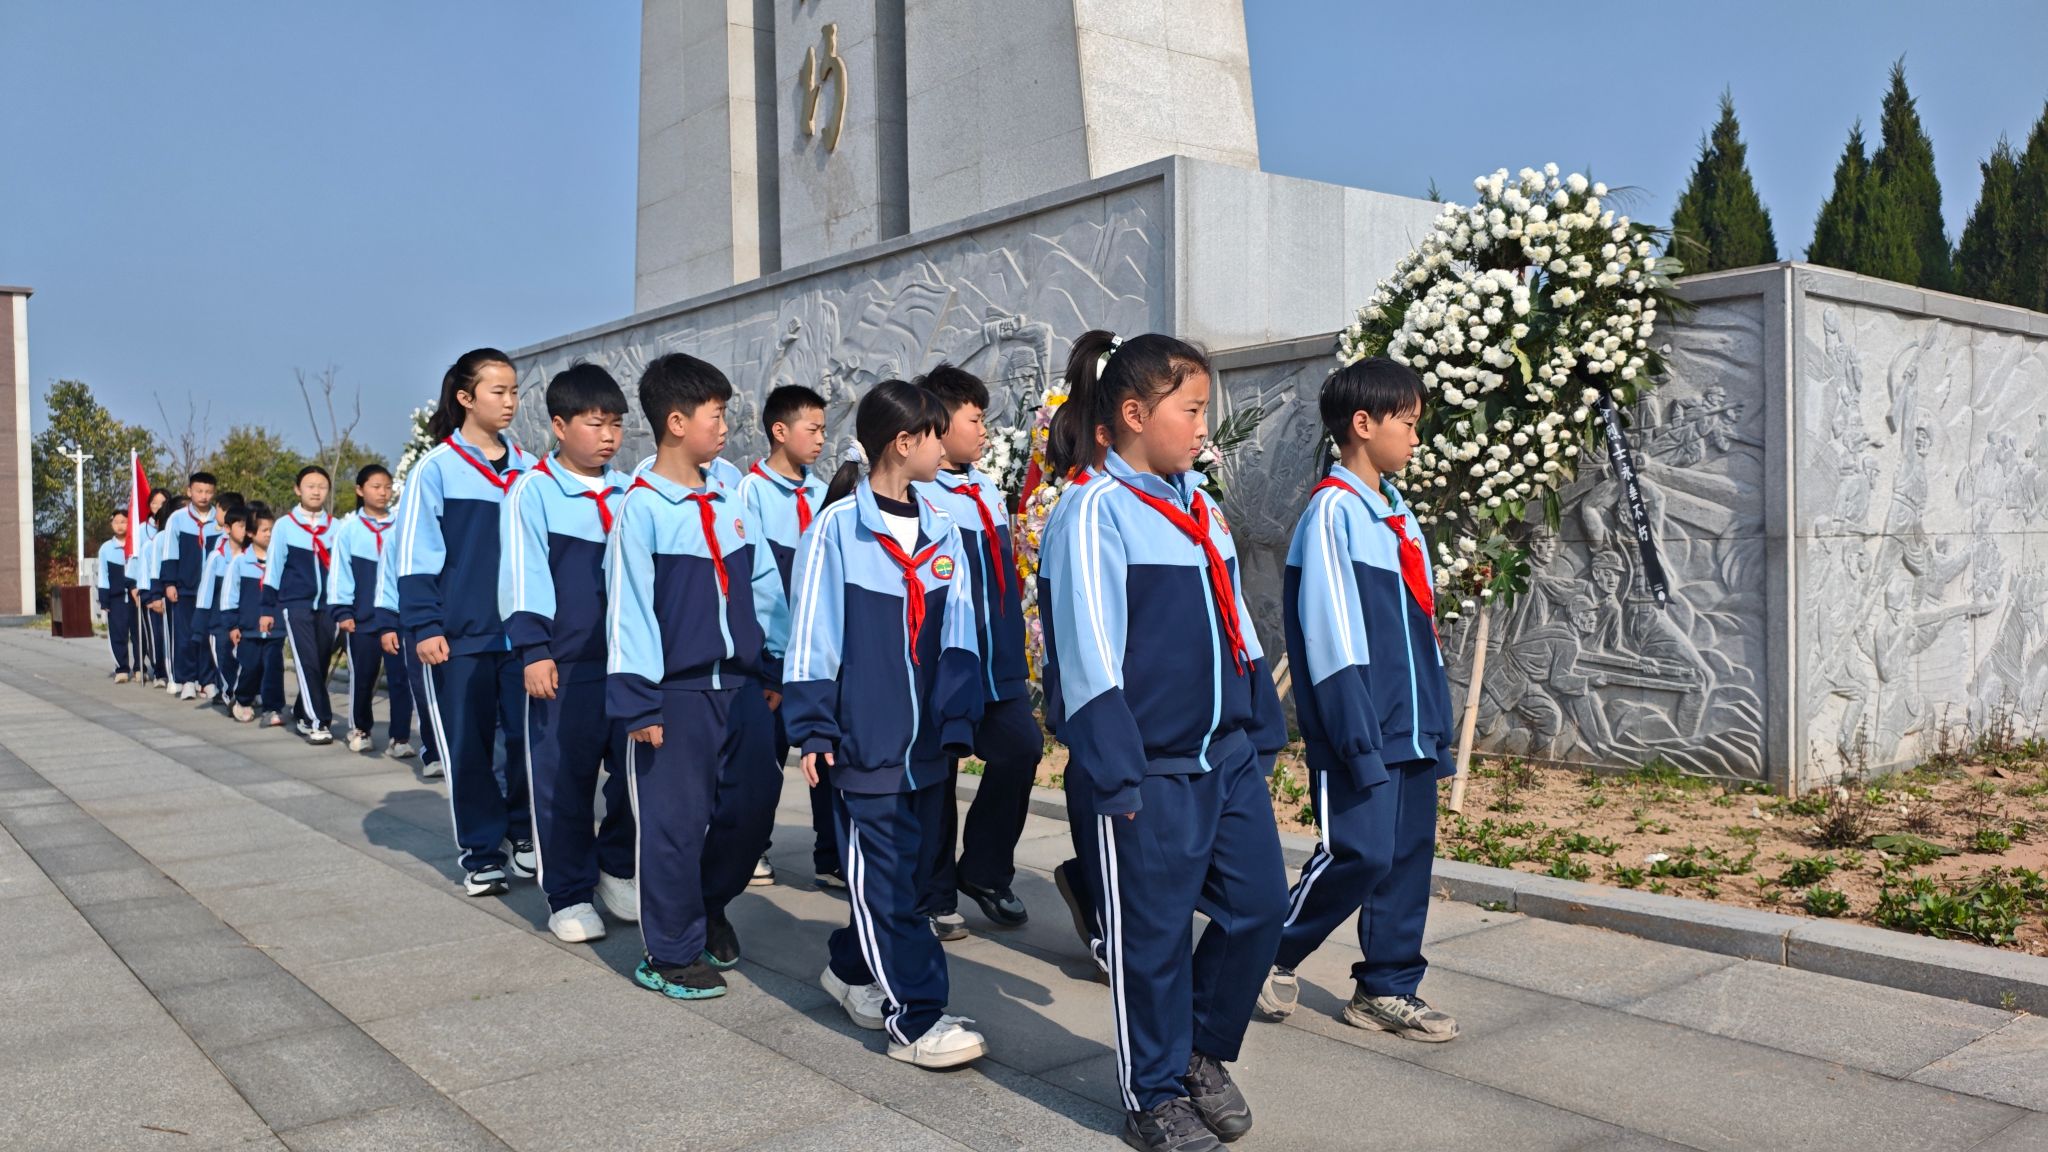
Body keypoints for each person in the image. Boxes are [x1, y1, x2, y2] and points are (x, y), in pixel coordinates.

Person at [1041, 330, 1287, 1151]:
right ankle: (1151, 1093)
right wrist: (1115, 770)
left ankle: (1198, 1051)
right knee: (1151, 940)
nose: (1201, 426)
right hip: (1146, 768)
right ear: (1135, 414)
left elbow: (1236, 623)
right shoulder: (1093, 511)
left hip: (1225, 755)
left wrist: (1260, 725)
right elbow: (1088, 655)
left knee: (1259, 907)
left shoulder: (1198, 507)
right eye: (1191, 409)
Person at [1257, 357, 1461, 1047]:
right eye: (1408, 423)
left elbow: (1422, 630)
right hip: (1362, 726)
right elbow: (1330, 635)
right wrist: (1353, 731)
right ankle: (1265, 950)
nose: (1416, 437)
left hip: (1412, 725)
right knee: (1360, 852)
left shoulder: (1398, 517)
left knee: (1407, 857)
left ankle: (1386, 987)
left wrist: (1436, 723)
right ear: (1364, 424)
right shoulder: (1333, 513)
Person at [787, 379, 989, 1069]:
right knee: (891, 888)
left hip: (927, 746)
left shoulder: (943, 527)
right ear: (905, 443)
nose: (945, 444)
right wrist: (814, 728)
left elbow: (960, 630)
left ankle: (851, 968)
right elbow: (812, 635)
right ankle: (917, 1019)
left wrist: (958, 716)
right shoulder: (836, 530)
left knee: (900, 879)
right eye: (935, 433)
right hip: (864, 743)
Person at [605, 352, 787, 998]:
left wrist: (774, 666)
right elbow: (628, 609)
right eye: (717, 414)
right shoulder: (641, 508)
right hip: (675, 696)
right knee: (673, 828)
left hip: (741, 689)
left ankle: (708, 906)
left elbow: (765, 586)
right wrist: (639, 703)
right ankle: (670, 953)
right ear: (676, 422)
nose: (726, 426)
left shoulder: (731, 499)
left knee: (752, 810)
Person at [502, 363, 639, 942]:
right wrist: (534, 648)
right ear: (559, 426)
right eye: (594, 423)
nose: (608, 436)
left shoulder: (631, 491)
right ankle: (568, 894)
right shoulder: (533, 490)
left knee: (635, 776)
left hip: (628, 661)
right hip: (565, 663)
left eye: (616, 424)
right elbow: (523, 571)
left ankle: (616, 865)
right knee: (564, 779)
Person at [399, 348, 537, 897]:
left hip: (522, 637)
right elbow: (415, 553)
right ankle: (482, 852)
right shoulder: (436, 469)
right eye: (498, 391)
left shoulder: (530, 469)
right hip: (460, 638)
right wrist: (425, 625)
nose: (510, 402)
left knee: (528, 741)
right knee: (470, 747)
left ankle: (525, 833)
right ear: (465, 398)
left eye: (514, 391)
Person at [913, 363, 1042, 938]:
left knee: (1022, 749)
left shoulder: (985, 487)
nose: (985, 429)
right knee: (937, 774)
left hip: (999, 664)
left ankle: (985, 870)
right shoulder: (919, 494)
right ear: (939, 425)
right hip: (946, 666)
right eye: (975, 418)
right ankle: (934, 894)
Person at [735, 384, 833, 888]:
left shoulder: (823, 494)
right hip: (773, 655)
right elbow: (755, 585)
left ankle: (830, 853)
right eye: (812, 429)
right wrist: (770, 653)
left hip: (818, 654)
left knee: (826, 752)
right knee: (764, 759)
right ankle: (752, 846)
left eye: (823, 429)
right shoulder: (749, 493)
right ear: (779, 430)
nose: (820, 439)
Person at [329, 464, 414, 757]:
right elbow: (340, 573)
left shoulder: (401, 526)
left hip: (396, 616)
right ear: (359, 489)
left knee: (401, 678)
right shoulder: (349, 529)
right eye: (376, 487)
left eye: (387, 487)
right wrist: (343, 611)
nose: (383, 493)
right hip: (362, 617)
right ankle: (360, 729)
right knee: (363, 676)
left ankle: (400, 738)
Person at [263, 466, 338, 744]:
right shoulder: (285, 525)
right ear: (298, 490)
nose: (316, 491)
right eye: (310, 486)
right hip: (296, 604)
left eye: (322, 486)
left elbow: (343, 569)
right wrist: (266, 608)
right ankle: (319, 721)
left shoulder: (336, 527)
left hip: (329, 605)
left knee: (320, 661)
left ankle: (303, 712)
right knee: (307, 662)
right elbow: (273, 568)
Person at [376, 522, 438, 776]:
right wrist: (387, 624)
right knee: (423, 691)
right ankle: (433, 753)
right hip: (416, 622)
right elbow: (387, 580)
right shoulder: (400, 532)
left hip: (460, 621)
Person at [160, 472, 221, 699]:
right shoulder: (177, 519)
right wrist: (170, 583)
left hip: (212, 590)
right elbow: (170, 553)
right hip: (185, 588)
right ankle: (187, 679)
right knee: (185, 636)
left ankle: (208, 680)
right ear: (189, 491)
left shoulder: (219, 519)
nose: (204, 496)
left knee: (208, 635)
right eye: (199, 491)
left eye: (208, 492)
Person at [226, 505, 287, 727]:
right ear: (251, 533)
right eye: (264, 530)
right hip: (249, 627)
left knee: (274, 668)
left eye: (272, 530)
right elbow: (230, 595)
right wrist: (232, 624)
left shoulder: (280, 561)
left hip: (275, 627)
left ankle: (273, 707)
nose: (269, 534)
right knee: (250, 666)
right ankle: (242, 699)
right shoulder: (240, 562)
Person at [195, 504, 248, 710]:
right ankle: (229, 694)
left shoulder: (252, 558)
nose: (245, 531)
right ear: (227, 528)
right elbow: (205, 592)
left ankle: (243, 693)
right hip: (219, 622)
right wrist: (199, 625)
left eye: (248, 526)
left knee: (245, 658)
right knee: (224, 657)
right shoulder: (216, 557)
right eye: (241, 526)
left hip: (243, 620)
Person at [95, 511, 138, 682]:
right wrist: (104, 599)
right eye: (116, 522)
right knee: (118, 633)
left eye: (124, 521)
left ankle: (139, 667)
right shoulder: (106, 548)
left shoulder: (136, 545)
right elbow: (103, 575)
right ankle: (122, 668)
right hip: (116, 599)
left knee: (138, 634)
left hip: (136, 598)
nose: (120, 525)